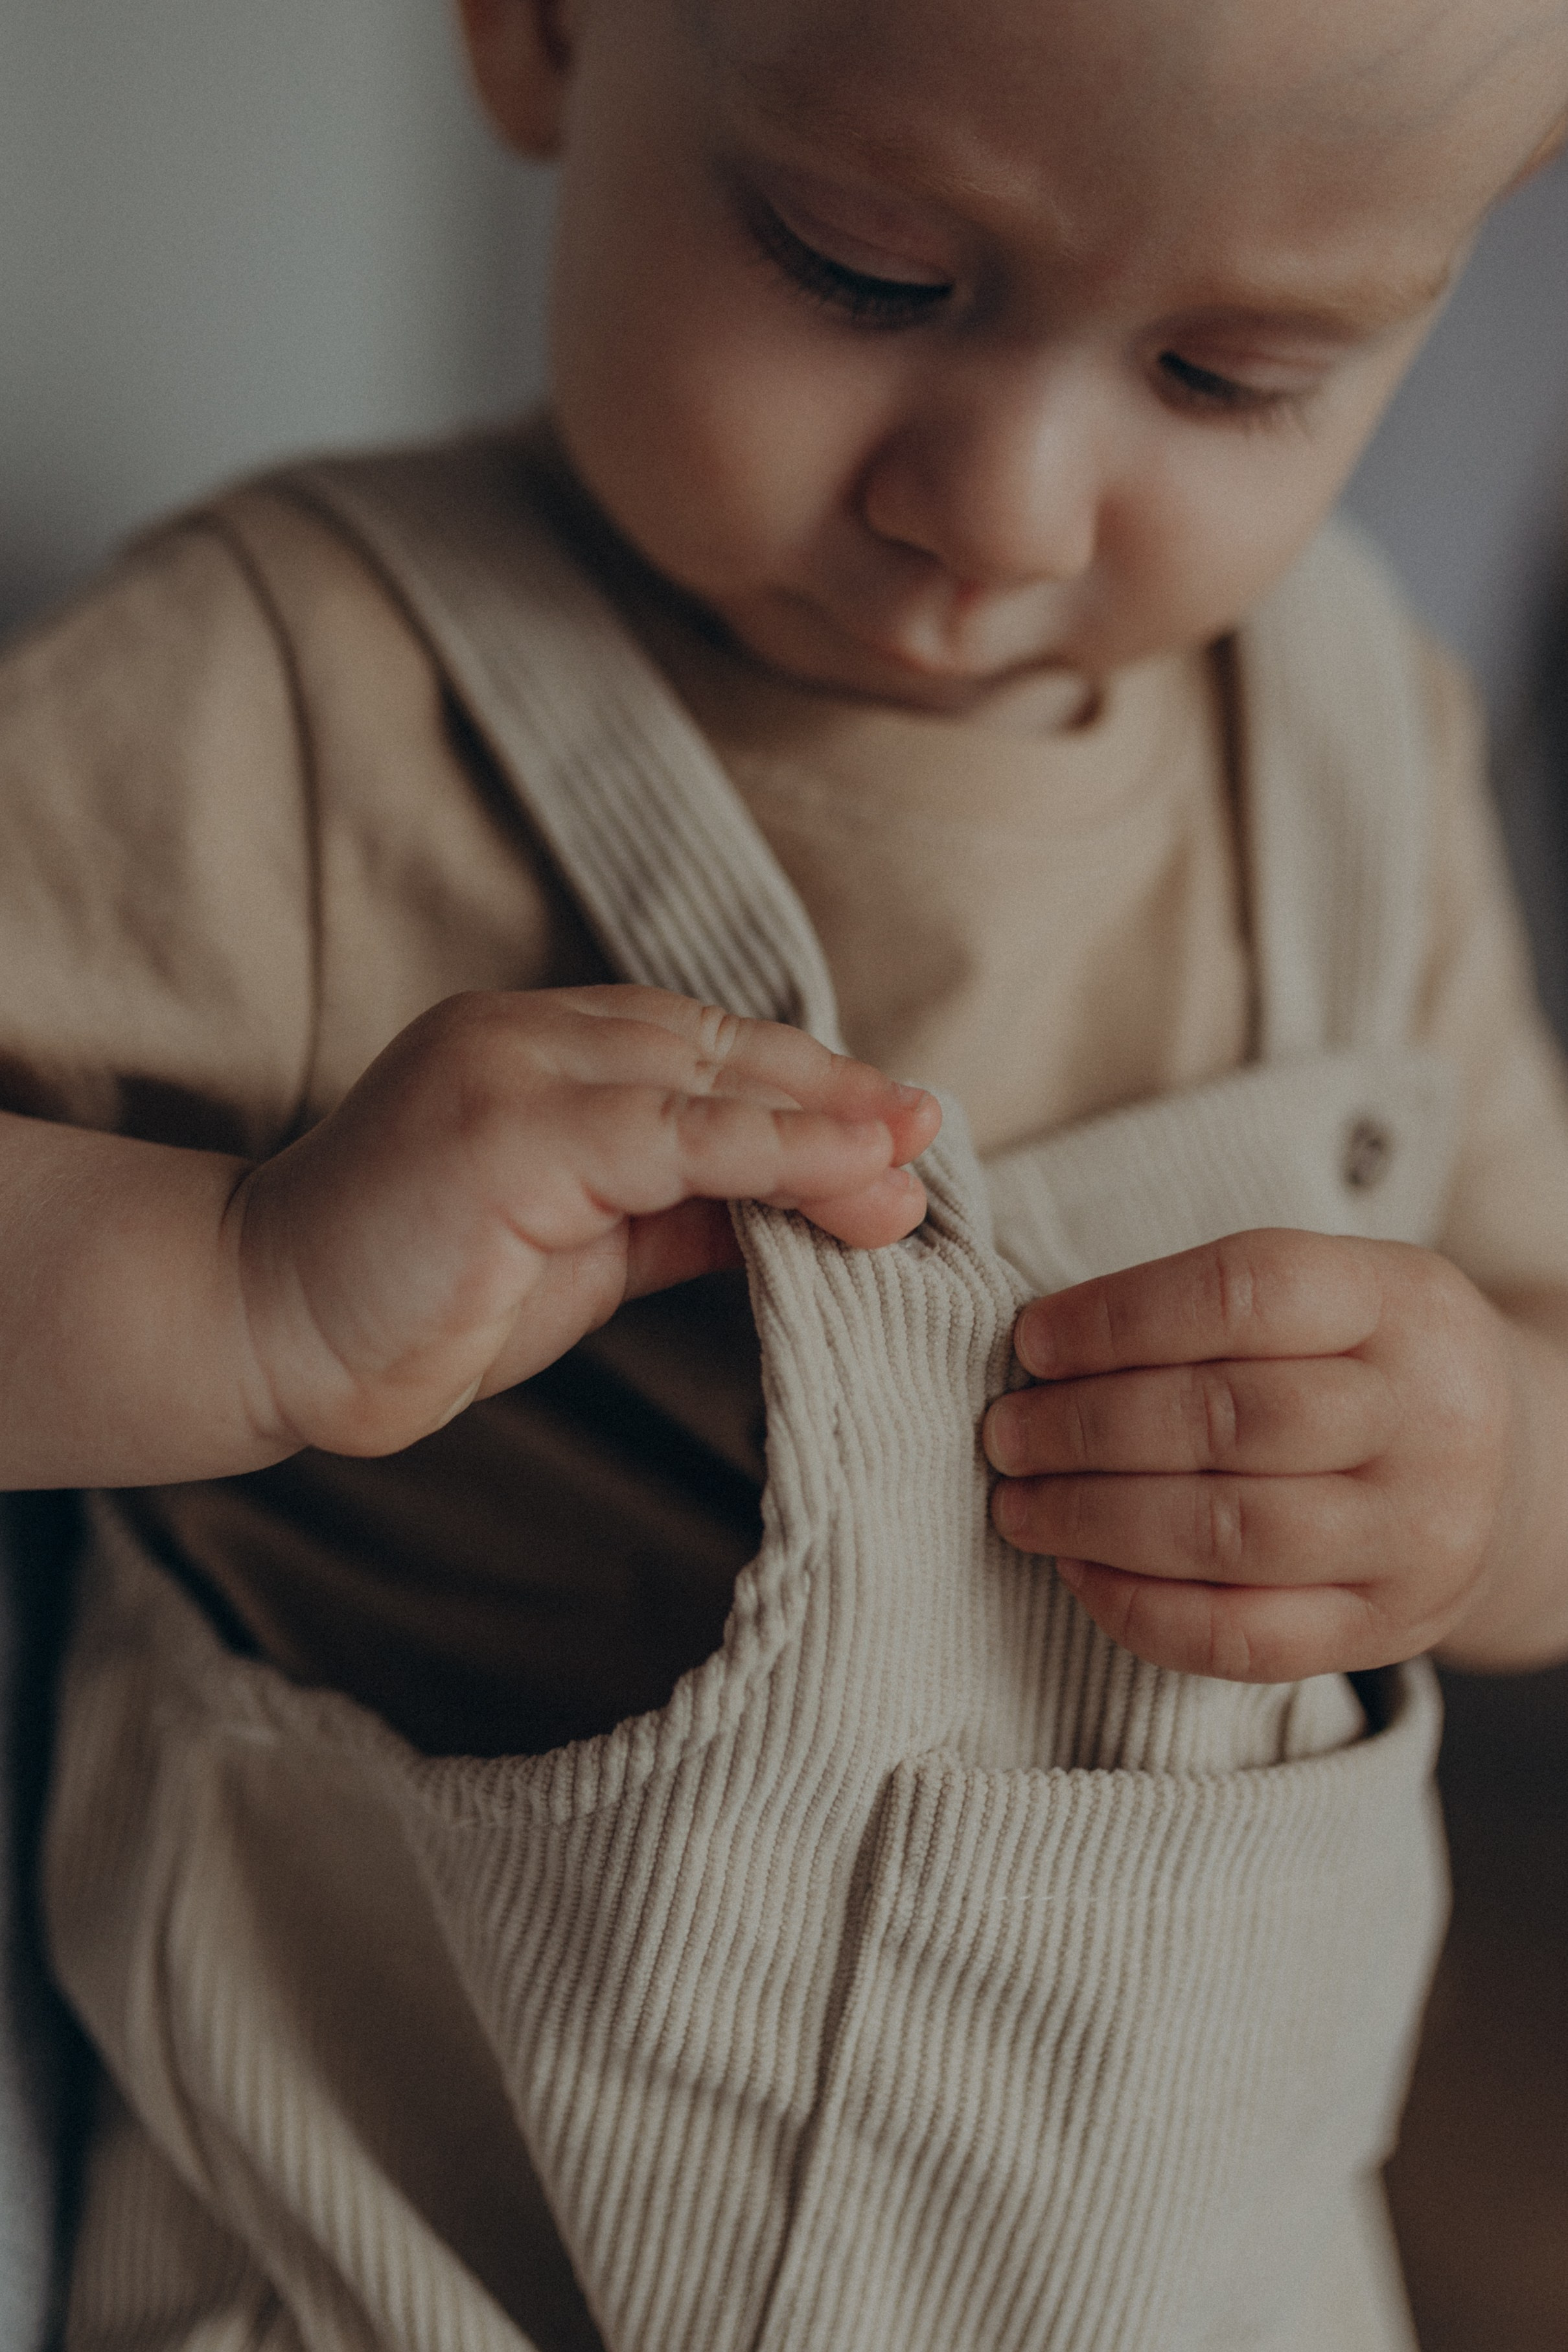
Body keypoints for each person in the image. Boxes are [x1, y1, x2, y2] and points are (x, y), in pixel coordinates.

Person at [5, 0, 1568, 2344]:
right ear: (540, 34)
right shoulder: (278, 708)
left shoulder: (1355, 755)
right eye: (864, 269)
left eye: (1230, 379)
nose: (1010, 507)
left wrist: (1490, 1473)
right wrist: (238, 1287)